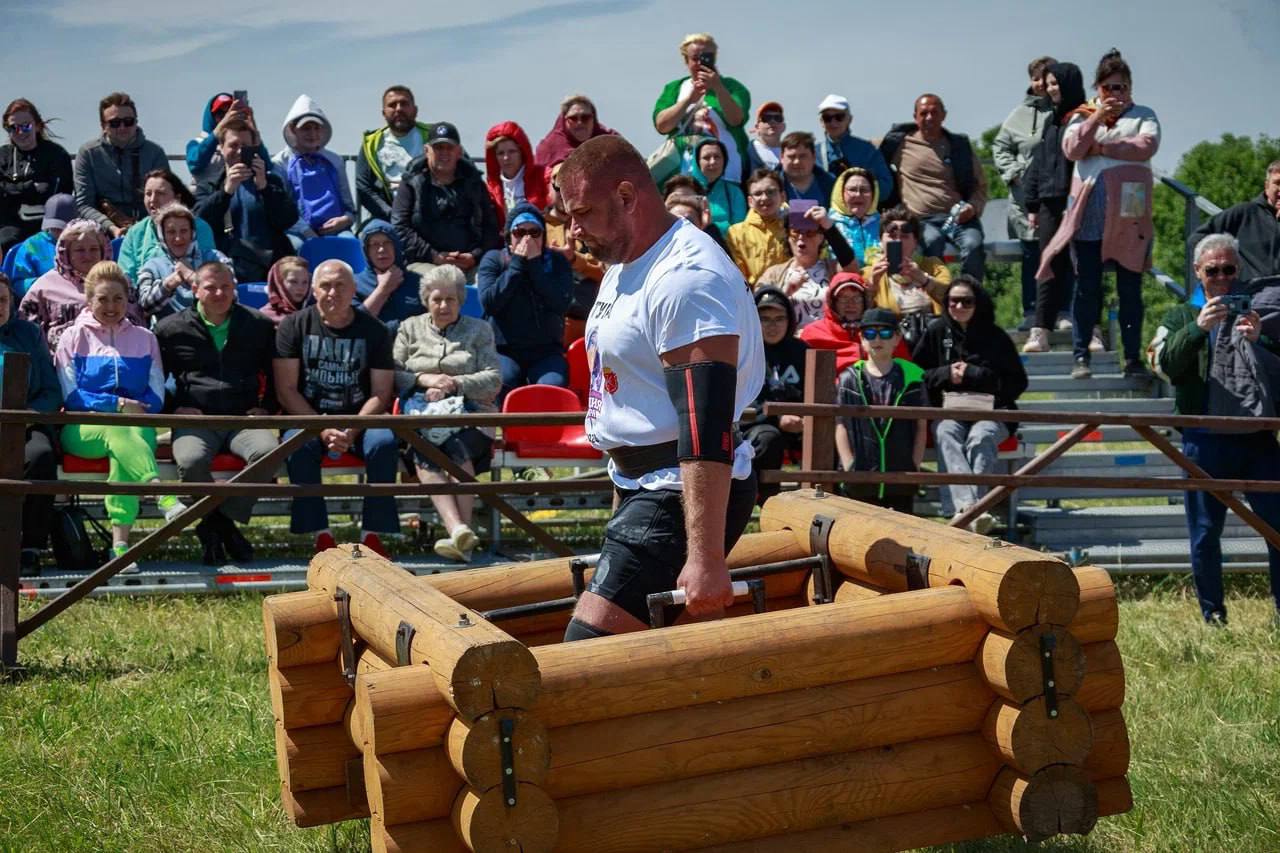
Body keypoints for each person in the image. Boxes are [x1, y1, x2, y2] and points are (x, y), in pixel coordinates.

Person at [556, 135, 763, 640]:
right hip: (648, 484)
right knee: (632, 653)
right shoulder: (626, 263)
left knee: (586, 652)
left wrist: (706, 558)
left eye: (582, 212)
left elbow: (704, 424)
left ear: (627, 197)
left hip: (678, 489)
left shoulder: (686, 277)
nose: (573, 231)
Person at [1155, 234, 1280, 627]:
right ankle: (1213, 616)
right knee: (1206, 533)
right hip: (1203, 439)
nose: (1223, 279)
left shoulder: (1256, 313)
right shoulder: (1178, 316)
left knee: (1277, 528)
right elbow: (1165, 365)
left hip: (1258, 438)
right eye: (1213, 271)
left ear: (1239, 270)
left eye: (1230, 270)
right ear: (1197, 273)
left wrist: (1262, 339)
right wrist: (1196, 329)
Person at [1037, 50, 1160, 380]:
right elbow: (1073, 149)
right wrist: (1096, 120)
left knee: (1130, 289)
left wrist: (1102, 147)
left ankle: (1132, 359)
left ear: (1130, 87)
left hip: (1130, 215)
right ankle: (1081, 355)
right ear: (1098, 88)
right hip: (1089, 213)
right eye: (1108, 88)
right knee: (1088, 287)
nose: (1115, 95)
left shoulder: (1144, 114)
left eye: (1121, 87)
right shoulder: (1080, 115)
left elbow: (1145, 145)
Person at [55, 261, 186, 570]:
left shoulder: (145, 338)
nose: (111, 306)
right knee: (119, 431)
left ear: (128, 299)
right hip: (82, 428)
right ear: (89, 300)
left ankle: (120, 547)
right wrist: (115, 407)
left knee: (126, 439)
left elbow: (156, 394)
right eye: (103, 299)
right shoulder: (71, 337)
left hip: (136, 426)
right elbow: (71, 395)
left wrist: (133, 410)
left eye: (118, 298)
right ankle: (160, 493)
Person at [274, 260, 399, 556]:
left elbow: (381, 393)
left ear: (354, 289)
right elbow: (286, 390)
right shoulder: (293, 326)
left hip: (362, 417)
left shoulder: (375, 330)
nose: (333, 292)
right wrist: (322, 428)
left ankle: (373, 534)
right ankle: (320, 535)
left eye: (341, 285)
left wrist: (352, 429)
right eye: (326, 285)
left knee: (384, 443)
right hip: (308, 417)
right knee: (297, 444)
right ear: (314, 290)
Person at [156, 261, 278, 565]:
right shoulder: (170, 329)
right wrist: (174, 408)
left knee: (269, 452)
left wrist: (267, 408)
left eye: (226, 286)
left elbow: (276, 375)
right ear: (194, 288)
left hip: (243, 419)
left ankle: (214, 524)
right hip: (197, 420)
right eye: (211, 286)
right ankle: (225, 528)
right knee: (190, 460)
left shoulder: (258, 325)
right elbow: (156, 381)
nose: (220, 292)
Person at [393, 265, 501, 562]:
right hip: (420, 415)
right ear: (426, 300)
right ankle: (461, 532)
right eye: (437, 299)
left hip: (471, 414)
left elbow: (493, 379)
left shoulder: (480, 330)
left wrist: (454, 384)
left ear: (461, 301)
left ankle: (457, 533)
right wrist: (424, 380)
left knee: (454, 446)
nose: (443, 306)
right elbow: (394, 373)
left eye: (450, 300)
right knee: (429, 447)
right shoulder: (409, 328)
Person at [911, 275, 1027, 533]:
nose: (959, 307)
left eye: (967, 301)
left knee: (980, 438)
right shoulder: (936, 331)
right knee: (945, 432)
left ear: (979, 303)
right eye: (953, 301)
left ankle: (967, 513)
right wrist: (945, 374)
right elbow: (917, 372)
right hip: (950, 410)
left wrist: (974, 374)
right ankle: (971, 511)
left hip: (994, 412)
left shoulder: (996, 337)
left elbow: (1018, 383)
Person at [877, 94, 988, 281]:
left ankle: (969, 298)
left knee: (973, 245)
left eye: (934, 113)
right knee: (932, 242)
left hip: (959, 218)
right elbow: (870, 159)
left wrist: (973, 207)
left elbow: (980, 185)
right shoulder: (898, 144)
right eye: (924, 113)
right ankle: (932, 299)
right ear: (915, 117)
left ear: (944, 115)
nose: (929, 118)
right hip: (920, 219)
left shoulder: (959, 146)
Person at [834, 307, 927, 514]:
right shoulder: (849, 377)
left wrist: (915, 462)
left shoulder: (912, 377)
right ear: (861, 339)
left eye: (885, 333)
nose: (877, 339)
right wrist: (848, 463)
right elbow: (840, 423)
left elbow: (921, 425)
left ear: (897, 338)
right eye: (870, 333)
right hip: (860, 476)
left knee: (903, 537)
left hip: (901, 475)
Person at [476, 202, 574, 398]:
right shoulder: (494, 259)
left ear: (543, 236)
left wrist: (535, 266)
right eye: (520, 232)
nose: (527, 238)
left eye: (535, 232)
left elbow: (560, 304)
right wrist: (516, 266)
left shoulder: (556, 262)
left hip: (546, 350)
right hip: (503, 349)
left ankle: (546, 430)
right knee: (503, 382)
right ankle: (503, 429)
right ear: (509, 236)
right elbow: (489, 303)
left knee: (553, 387)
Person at [1023, 61, 1087, 354]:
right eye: (1048, 84)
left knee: (1082, 264)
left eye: (1056, 83)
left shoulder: (1086, 118)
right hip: (1050, 201)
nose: (1052, 89)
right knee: (1047, 264)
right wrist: (1032, 204)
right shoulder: (1051, 122)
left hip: (1078, 200)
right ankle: (1040, 330)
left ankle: (1090, 327)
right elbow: (1037, 165)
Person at [0, 273, 62, 563]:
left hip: (26, 421)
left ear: (12, 302)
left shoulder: (29, 334)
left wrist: (27, 416)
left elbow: (51, 390)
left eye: (2, 300)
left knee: (41, 456)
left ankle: (31, 545)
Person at [994, 57, 1056, 331]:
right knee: (1032, 255)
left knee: (1062, 255)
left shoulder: (1068, 111)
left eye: (1046, 78)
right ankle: (1032, 313)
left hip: (1060, 199)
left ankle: (1064, 311)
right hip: (1025, 202)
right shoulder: (1017, 115)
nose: (1040, 83)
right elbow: (1001, 148)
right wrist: (1015, 174)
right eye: (1035, 78)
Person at [194, 119, 299, 283]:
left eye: (245, 146)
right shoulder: (208, 186)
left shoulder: (271, 182)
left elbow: (288, 219)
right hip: (227, 270)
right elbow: (200, 223)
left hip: (270, 268)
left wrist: (264, 187)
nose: (239, 151)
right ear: (220, 148)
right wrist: (226, 192)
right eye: (233, 145)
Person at [392, 122, 501, 277]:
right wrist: (434, 256)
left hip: (469, 263)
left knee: (489, 281)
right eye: (438, 148)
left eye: (449, 148)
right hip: (424, 262)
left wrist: (475, 256)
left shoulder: (474, 183)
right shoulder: (410, 182)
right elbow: (399, 227)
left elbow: (491, 228)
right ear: (426, 151)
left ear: (459, 152)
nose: (444, 153)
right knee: (444, 282)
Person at [20, 218, 140, 353]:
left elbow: (136, 326)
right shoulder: (42, 288)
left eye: (94, 249)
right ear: (66, 253)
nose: (87, 256)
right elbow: (26, 334)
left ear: (103, 250)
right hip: (58, 365)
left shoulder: (121, 282)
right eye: (80, 250)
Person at [653, 33, 750, 183]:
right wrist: (688, 101)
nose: (700, 62)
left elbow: (736, 120)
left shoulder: (732, 87)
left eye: (706, 57)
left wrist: (718, 87)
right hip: (683, 173)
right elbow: (662, 125)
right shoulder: (675, 88)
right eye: (695, 58)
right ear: (686, 61)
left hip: (726, 173)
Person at [72, 93, 168, 238]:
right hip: (101, 228)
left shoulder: (155, 153)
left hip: (149, 227)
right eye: (115, 123)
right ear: (103, 126)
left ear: (136, 122)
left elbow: (166, 198)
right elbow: (84, 204)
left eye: (128, 121)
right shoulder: (88, 153)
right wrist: (111, 227)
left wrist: (146, 227)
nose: (122, 127)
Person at [747, 286, 807, 503]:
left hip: (800, 421)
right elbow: (744, 398)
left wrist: (806, 419)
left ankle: (823, 503)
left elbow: (817, 393)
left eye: (779, 318)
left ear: (789, 320)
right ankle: (768, 504)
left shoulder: (802, 351)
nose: (773, 325)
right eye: (765, 319)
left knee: (826, 437)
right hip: (759, 423)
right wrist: (777, 418)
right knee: (767, 439)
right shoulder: (746, 350)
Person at [756, 205, 860, 330]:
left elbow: (852, 269)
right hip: (791, 343)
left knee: (822, 351)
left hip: (824, 343)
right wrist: (786, 291)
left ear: (821, 237)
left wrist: (829, 227)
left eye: (809, 233)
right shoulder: (773, 273)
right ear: (788, 237)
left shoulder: (833, 269)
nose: (801, 238)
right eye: (795, 232)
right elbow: (759, 306)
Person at [273, 95, 357, 240]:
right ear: (293, 129)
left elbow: (349, 207)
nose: (312, 134)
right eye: (306, 128)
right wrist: (306, 232)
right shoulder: (280, 163)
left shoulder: (335, 160)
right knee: (297, 249)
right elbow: (282, 209)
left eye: (316, 128)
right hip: (296, 233)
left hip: (336, 230)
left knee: (350, 243)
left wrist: (344, 221)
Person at [862, 206, 953, 337]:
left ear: (915, 241)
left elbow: (952, 300)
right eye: (892, 236)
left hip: (930, 341)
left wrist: (924, 280)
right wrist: (872, 286)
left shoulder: (933, 266)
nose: (898, 241)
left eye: (905, 236)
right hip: (890, 345)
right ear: (881, 240)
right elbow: (858, 315)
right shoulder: (867, 274)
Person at [136, 203, 231, 324]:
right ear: (162, 236)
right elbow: (143, 307)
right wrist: (170, 284)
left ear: (192, 233)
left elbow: (232, 297)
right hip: (170, 334)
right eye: (171, 232)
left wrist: (192, 277)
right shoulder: (152, 266)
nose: (178, 238)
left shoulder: (217, 258)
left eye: (184, 231)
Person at [116, 170, 218, 282]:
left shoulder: (200, 227)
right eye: (148, 194)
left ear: (177, 198)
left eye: (160, 193)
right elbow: (126, 279)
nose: (152, 200)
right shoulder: (135, 232)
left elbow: (210, 273)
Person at [1, 98, 74, 254]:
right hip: (9, 225)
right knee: (8, 242)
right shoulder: (3, 156)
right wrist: (29, 188)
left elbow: (58, 195)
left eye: (26, 126)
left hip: (49, 224)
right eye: (13, 128)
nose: (20, 132)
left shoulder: (57, 155)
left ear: (38, 126)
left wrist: (12, 190)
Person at [544, 162, 605, 344]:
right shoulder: (533, 225)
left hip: (589, 318)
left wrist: (574, 260)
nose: (564, 191)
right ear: (548, 187)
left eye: (571, 184)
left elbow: (606, 269)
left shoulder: (593, 225)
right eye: (558, 185)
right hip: (549, 318)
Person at [800, 272, 909, 373]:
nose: (850, 304)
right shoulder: (814, 333)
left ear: (865, 301)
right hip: (833, 391)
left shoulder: (884, 330)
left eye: (857, 298)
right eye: (843, 298)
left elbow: (905, 369)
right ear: (832, 302)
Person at [1191, 160, 1280, 284]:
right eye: (1277, 183)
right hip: (1251, 292)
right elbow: (1197, 239)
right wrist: (1227, 265)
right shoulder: (1245, 213)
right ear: (1266, 186)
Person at [357, 86, 435, 223]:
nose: (398, 109)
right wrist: (392, 215)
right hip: (387, 217)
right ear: (384, 113)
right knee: (374, 233)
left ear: (415, 110)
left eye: (404, 104)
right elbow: (363, 187)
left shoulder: (434, 136)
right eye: (392, 105)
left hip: (431, 214)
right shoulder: (371, 143)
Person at [814, 95, 893, 202]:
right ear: (821, 122)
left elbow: (885, 186)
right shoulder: (813, 153)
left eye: (839, 117)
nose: (833, 122)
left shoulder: (867, 150)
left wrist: (859, 190)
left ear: (849, 120)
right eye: (827, 118)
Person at [186, 93, 269, 189]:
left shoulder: (245, 142)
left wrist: (254, 132)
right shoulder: (197, 143)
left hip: (237, 193)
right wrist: (218, 131)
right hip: (206, 194)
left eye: (229, 113)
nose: (226, 118)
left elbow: (268, 167)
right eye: (220, 114)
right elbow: (195, 165)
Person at [353, 219, 422, 335]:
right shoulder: (354, 284)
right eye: (374, 244)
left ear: (396, 246)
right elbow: (353, 325)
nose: (381, 249)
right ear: (366, 250)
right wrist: (383, 289)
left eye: (387, 242)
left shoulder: (418, 282)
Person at [726, 168, 788, 286]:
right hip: (755, 298)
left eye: (771, 192)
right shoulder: (736, 233)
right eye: (758, 194)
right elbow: (739, 278)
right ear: (750, 201)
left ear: (783, 196)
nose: (764, 198)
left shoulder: (795, 229)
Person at [484, 121, 549, 230]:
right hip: (505, 244)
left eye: (512, 151)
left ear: (522, 152)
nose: (506, 158)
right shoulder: (490, 189)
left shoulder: (543, 176)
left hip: (539, 239)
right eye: (500, 153)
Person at [7, 194, 74, 297]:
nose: (58, 231)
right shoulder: (31, 246)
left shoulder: (87, 245)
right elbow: (17, 284)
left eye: (63, 227)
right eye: (54, 226)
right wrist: (43, 284)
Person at [534, 94, 618, 174]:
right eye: (573, 118)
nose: (579, 123)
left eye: (585, 117)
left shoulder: (611, 142)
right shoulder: (548, 147)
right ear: (564, 120)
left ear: (593, 119)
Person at [688, 137, 747, 233]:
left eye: (717, 157)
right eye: (706, 158)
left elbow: (740, 229)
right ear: (697, 161)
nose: (713, 162)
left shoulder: (733, 192)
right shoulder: (686, 191)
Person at [828, 166, 881, 266]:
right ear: (841, 193)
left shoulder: (884, 225)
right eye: (852, 190)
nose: (858, 194)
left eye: (864, 190)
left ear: (873, 194)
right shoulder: (826, 225)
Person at [779, 132, 835, 204]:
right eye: (791, 156)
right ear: (782, 158)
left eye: (802, 156)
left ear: (814, 157)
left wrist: (828, 215)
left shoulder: (832, 185)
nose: (797, 162)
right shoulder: (768, 186)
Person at [260, 255, 311, 327]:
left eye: (305, 282)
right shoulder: (264, 317)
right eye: (293, 281)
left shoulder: (315, 315)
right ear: (279, 283)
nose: (300, 288)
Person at [748, 101, 785, 172]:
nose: (773, 121)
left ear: (783, 127)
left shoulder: (790, 153)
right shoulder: (746, 150)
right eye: (767, 118)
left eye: (778, 118)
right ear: (757, 127)